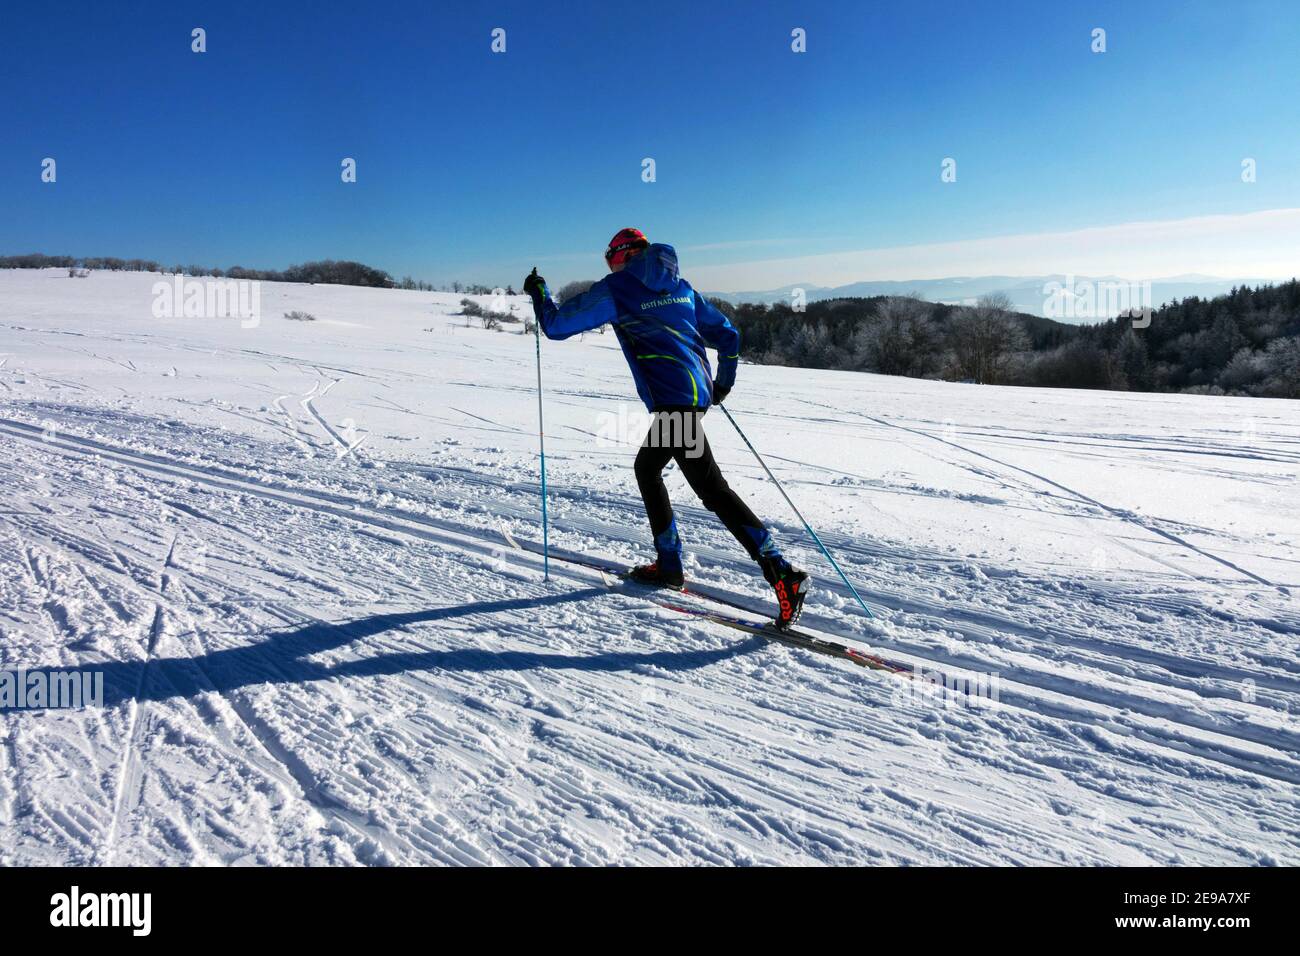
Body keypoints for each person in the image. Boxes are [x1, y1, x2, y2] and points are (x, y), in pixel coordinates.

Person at [523, 228, 810, 627]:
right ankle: (670, 563)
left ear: (622, 255)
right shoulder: (683, 287)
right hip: (692, 399)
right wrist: (722, 382)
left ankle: (781, 571)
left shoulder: (618, 288)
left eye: (609, 256)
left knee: (712, 490)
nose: (608, 264)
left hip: (675, 406)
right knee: (650, 469)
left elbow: (555, 327)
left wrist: (539, 292)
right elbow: (728, 335)